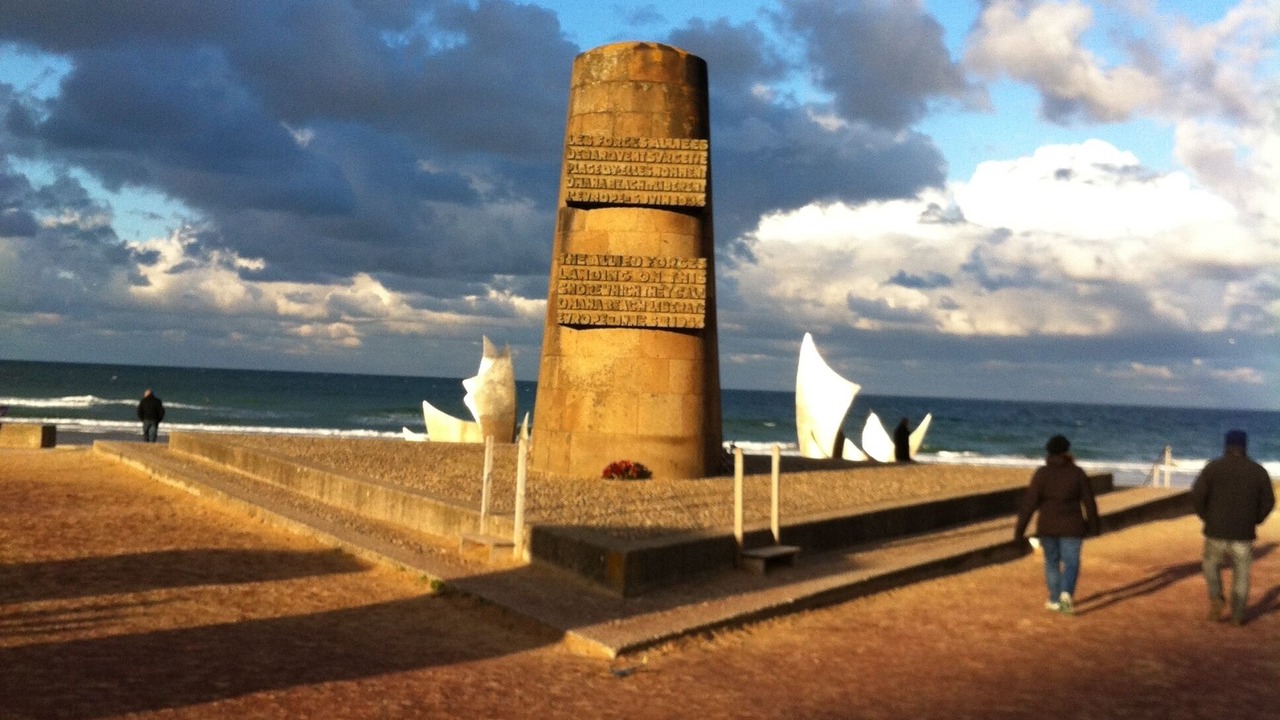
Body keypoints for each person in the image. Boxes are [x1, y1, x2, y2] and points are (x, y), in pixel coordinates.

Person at [1190, 429, 1274, 626]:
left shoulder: (1212, 468)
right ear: (1245, 446)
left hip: (1215, 529)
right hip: (1244, 532)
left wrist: (1206, 516)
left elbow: (1197, 495)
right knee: (1241, 573)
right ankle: (1237, 615)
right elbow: (1269, 501)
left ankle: (1217, 597)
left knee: (1210, 565)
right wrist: (1256, 519)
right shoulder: (1258, 471)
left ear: (1226, 446)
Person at [1014, 434, 1099, 615]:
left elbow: (1029, 504)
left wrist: (1019, 530)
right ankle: (1066, 594)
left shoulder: (1042, 474)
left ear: (1048, 452)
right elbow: (1089, 502)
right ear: (1067, 451)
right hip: (1073, 527)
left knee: (1051, 563)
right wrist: (1094, 526)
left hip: (1048, 527)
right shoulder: (1077, 473)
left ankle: (1054, 599)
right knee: (1071, 562)